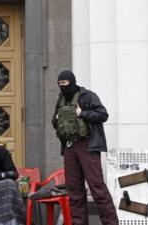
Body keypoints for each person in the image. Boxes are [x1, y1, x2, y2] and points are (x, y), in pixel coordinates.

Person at [52, 70, 118, 225]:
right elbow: (55, 121)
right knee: (74, 191)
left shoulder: (87, 96)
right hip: (69, 147)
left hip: (87, 145)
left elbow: (103, 115)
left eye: (64, 84)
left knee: (97, 188)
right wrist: (56, 120)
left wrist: (83, 113)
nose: (62, 87)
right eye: (59, 84)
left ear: (72, 82)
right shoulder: (61, 98)